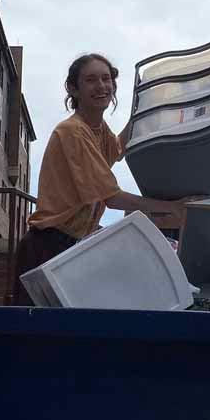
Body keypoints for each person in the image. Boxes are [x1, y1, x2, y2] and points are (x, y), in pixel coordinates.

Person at [13, 53, 189, 305]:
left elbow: (116, 149)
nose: (102, 86)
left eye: (106, 79)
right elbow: (112, 198)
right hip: (47, 247)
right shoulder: (73, 131)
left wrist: (142, 111)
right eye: (91, 80)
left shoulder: (97, 128)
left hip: (71, 246)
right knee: (36, 336)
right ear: (74, 88)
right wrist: (171, 208)